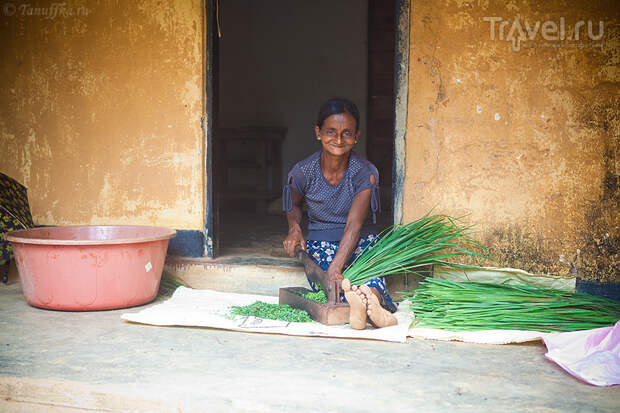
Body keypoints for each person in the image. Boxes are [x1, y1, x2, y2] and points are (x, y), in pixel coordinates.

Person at [282, 97, 397, 329]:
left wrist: (337, 265)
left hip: (360, 239)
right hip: (321, 241)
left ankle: (368, 302)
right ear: (318, 132)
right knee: (328, 286)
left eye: (347, 133)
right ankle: (365, 306)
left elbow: (354, 225)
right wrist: (294, 228)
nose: (338, 139)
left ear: (357, 136)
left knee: (369, 274)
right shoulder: (303, 171)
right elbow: (291, 203)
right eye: (331, 131)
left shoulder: (365, 172)